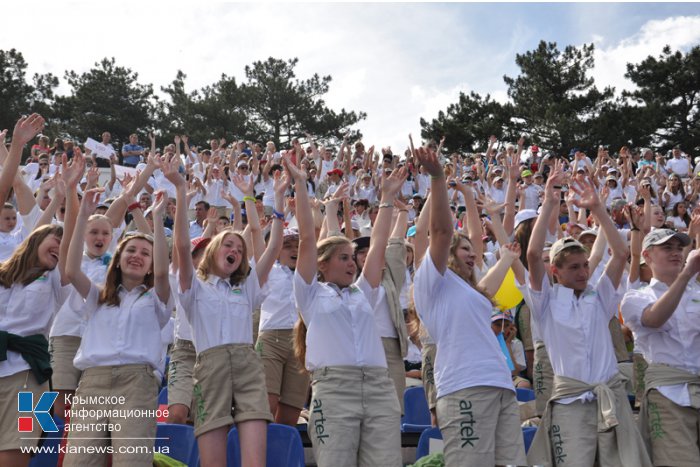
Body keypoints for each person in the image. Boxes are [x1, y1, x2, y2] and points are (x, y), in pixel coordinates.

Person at [526, 162, 651, 466]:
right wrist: (549, 203)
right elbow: (531, 255)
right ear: (555, 272)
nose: (583, 272)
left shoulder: (599, 297)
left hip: (611, 397)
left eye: (585, 265)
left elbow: (621, 254)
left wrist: (598, 207)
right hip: (570, 403)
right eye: (574, 267)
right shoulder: (546, 302)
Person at [412, 146, 526, 466]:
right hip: (464, 387)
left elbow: (487, 285)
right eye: (464, 249)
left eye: (472, 250)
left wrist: (507, 259)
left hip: (500, 384)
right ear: (447, 253)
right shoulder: (433, 282)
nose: (472, 253)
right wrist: (437, 178)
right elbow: (441, 230)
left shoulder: (471, 292)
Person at [170, 155, 285, 467]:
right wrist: (181, 191)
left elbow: (274, 248)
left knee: (254, 462)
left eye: (239, 248)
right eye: (228, 245)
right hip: (210, 366)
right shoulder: (194, 286)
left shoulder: (246, 286)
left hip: (248, 365)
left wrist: (276, 200)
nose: (235, 250)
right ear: (212, 251)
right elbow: (181, 248)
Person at [290, 155, 402, 467]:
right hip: (335, 390)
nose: (352, 262)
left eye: (353, 257)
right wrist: (301, 184)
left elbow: (378, 244)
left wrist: (388, 199)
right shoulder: (310, 294)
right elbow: (307, 239)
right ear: (322, 265)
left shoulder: (362, 293)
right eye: (343, 257)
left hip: (379, 386)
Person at [62, 183, 171, 467]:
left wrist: (156, 219)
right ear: (119, 259)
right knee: (79, 462)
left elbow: (163, 270)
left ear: (151, 265)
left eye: (145, 253)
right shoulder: (98, 295)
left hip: (138, 383)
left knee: (132, 462)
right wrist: (84, 216)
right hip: (93, 382)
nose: (137, 255)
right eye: (131, 250)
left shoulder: (157, 298)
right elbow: (72, 270)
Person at [621, 229, 700, 466]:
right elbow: (654, 319)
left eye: (679, 248)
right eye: (667, 248)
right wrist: (687, 274)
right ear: (647, 255)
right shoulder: (636, 297)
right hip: (668, 394)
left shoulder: (697, 293)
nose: (676, 253)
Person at [256, 228, 310, 426]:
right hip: (271, 340)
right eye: (286, 246)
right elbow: (256, 238)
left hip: (301, 342)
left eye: (297, 246)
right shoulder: (268, 271)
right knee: (266, 406)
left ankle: (277, 455)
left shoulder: (308, 275)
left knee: (291, 413)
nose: (294, 250)